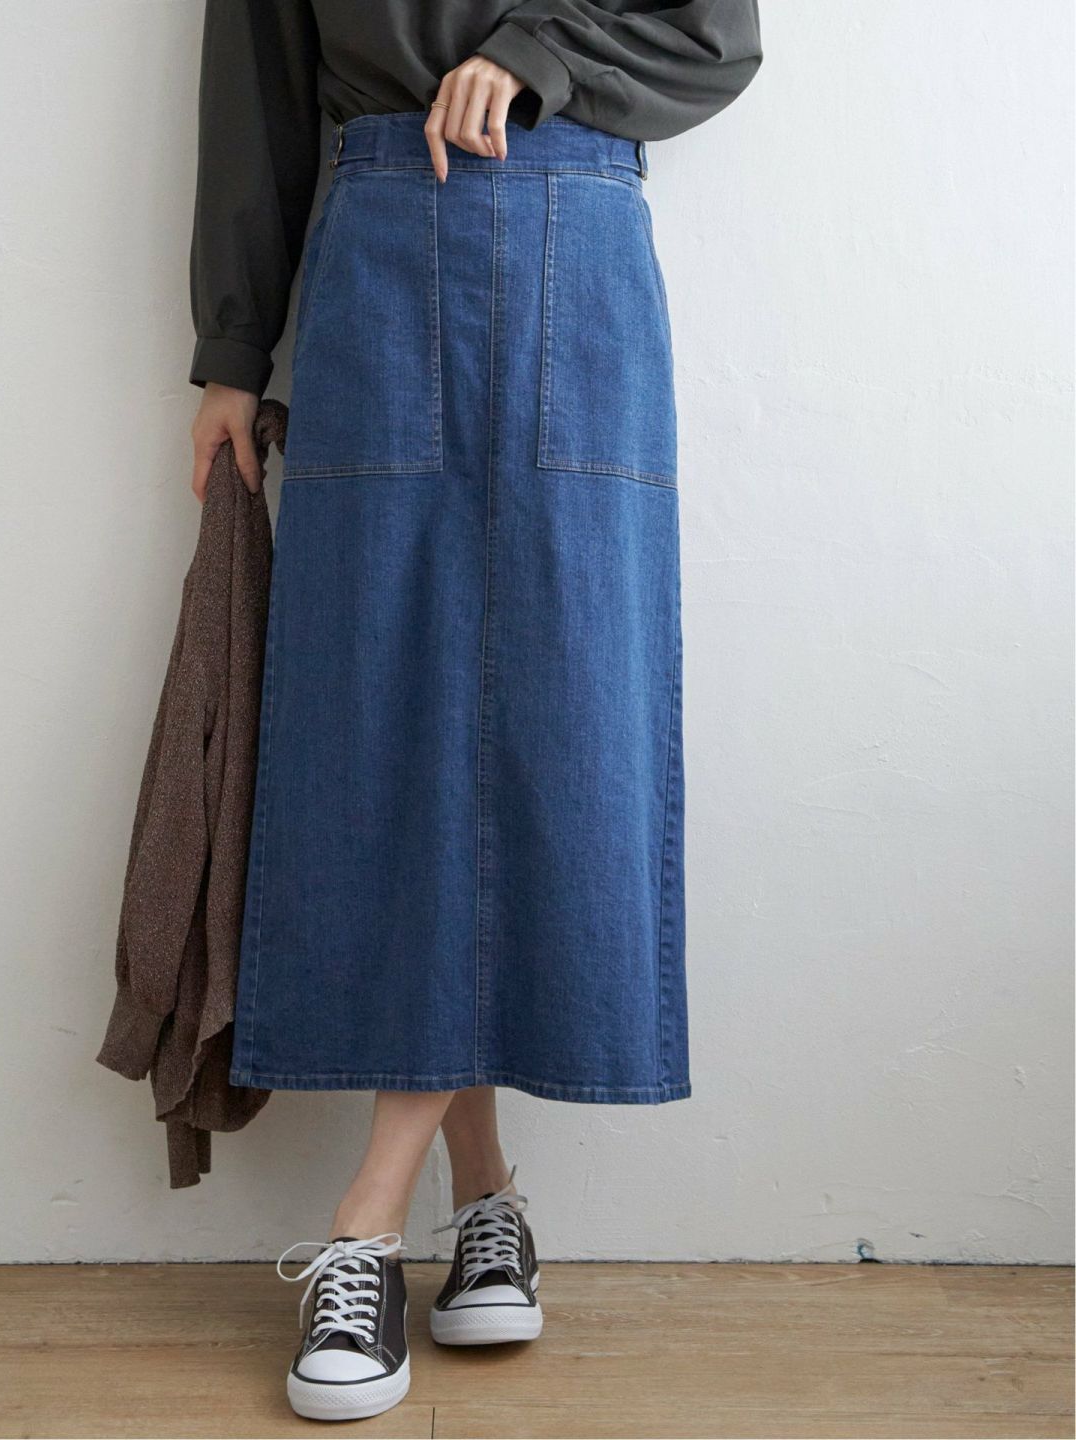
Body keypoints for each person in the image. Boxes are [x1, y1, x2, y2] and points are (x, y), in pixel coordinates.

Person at [186, 0, 762, 1422]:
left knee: (554, 739)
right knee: (387, 736)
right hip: (379, 265)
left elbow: (718, 37)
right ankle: (485, 1197)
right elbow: (256, 95)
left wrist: (535, 59)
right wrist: (233, 351)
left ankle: (369, 1223)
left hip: (580, 258)